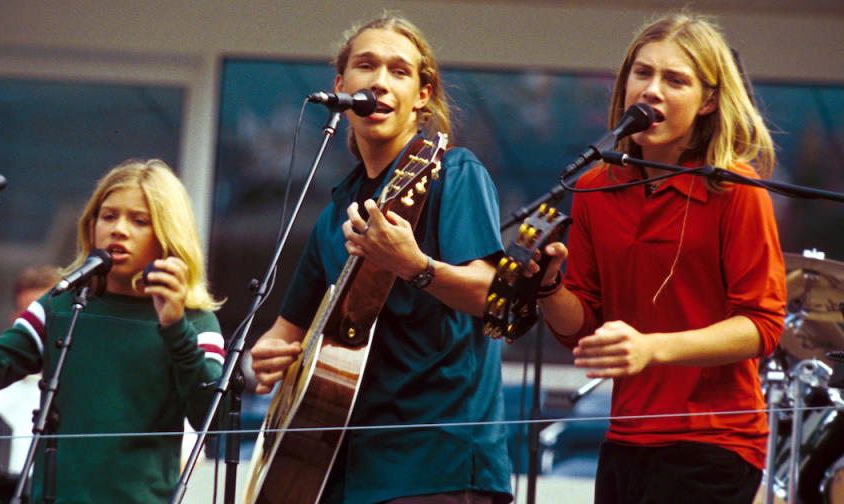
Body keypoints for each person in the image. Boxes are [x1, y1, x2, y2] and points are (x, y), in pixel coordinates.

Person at [250, 15, 512, 504]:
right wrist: (268, 359)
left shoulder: (454, 174)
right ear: (340, 85)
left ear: (423, 95)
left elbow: (493, 296)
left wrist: (414, 265)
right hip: (336, 469)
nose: (379, 82)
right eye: (366, 66)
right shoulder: (336, 213)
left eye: (398, 71)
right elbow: (283, 334)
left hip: (438, 468)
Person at [535, 12, 786, 504]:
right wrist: (547, 287)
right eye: (642, 73)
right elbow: (585, 328)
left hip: (715, 440)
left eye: (675, 80)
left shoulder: (735, 189)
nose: (652, 90)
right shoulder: (594, 186)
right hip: (626, 436)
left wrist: (653, 348)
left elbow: (762, 325)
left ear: (709, 101)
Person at [0, 159, 226, 503]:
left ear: (169, 233)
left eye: (139, 220)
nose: (119, 229)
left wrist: (174, 326)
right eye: (108, 216)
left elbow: (212, 420)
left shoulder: (196, 321)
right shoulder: (60, 304)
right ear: (91, 225)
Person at [0, 264, 62, 475]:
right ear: (17, 320)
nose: (42, 324)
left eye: (49, 316)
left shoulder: (79, 385)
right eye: (33, 316)